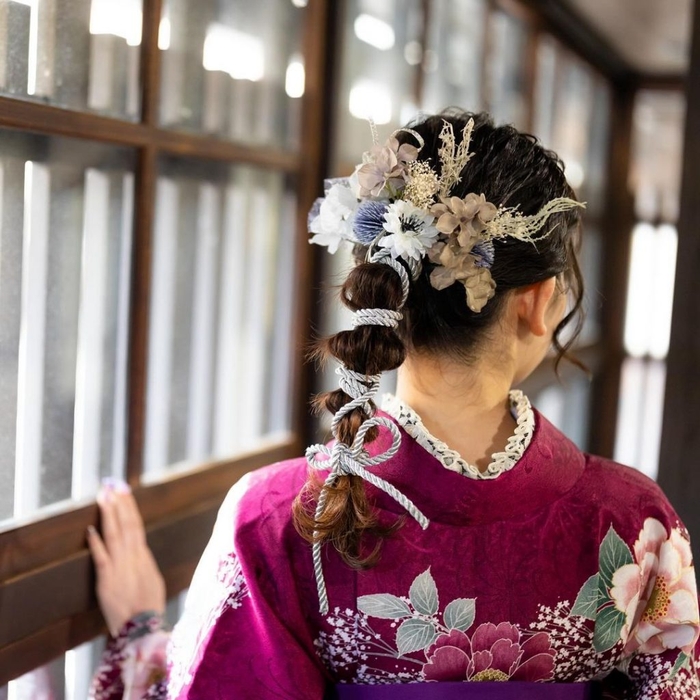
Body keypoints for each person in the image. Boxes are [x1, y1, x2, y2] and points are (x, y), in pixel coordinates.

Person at [88, 111, 700, 700]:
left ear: (385, 286)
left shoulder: (279, 517)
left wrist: (141, 639)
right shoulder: (634, 520)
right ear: (538, 303)